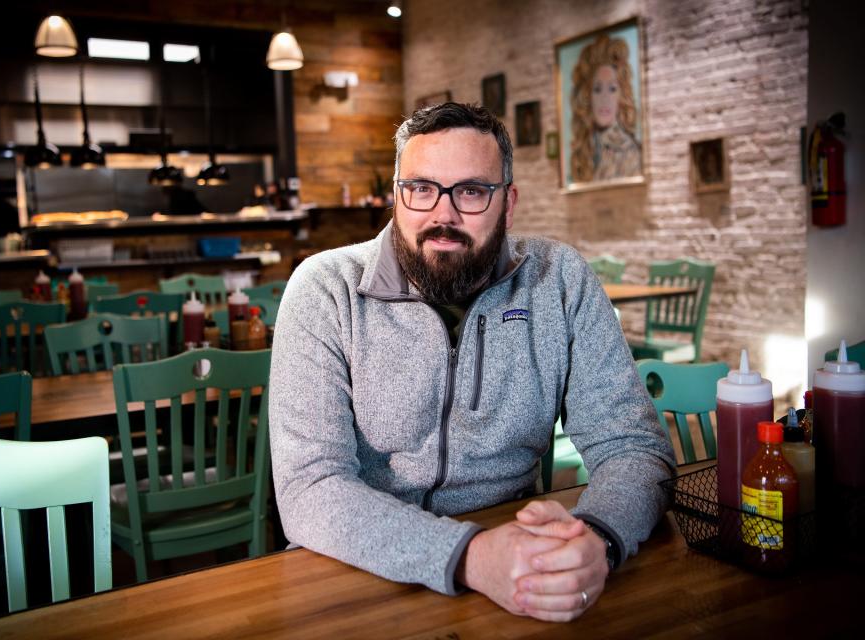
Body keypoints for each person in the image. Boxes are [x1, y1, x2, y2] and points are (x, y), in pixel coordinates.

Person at [269, 103, 675, 622]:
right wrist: (471, 556)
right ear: (397, 198)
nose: (443, 214)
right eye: (421, 188)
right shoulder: (327, 290)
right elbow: (310, 488)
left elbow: (634, 447)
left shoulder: (561, 280)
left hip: (516, 567)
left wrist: (596, 538)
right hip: (355, 570)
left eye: (471, 191)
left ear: (508, 203)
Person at [570, 34, 642, 183]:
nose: (605, 99)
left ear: (621, 96)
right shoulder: (584, 147)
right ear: (588, 96)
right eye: (597, 89)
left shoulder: (629, 151)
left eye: (612, 89)